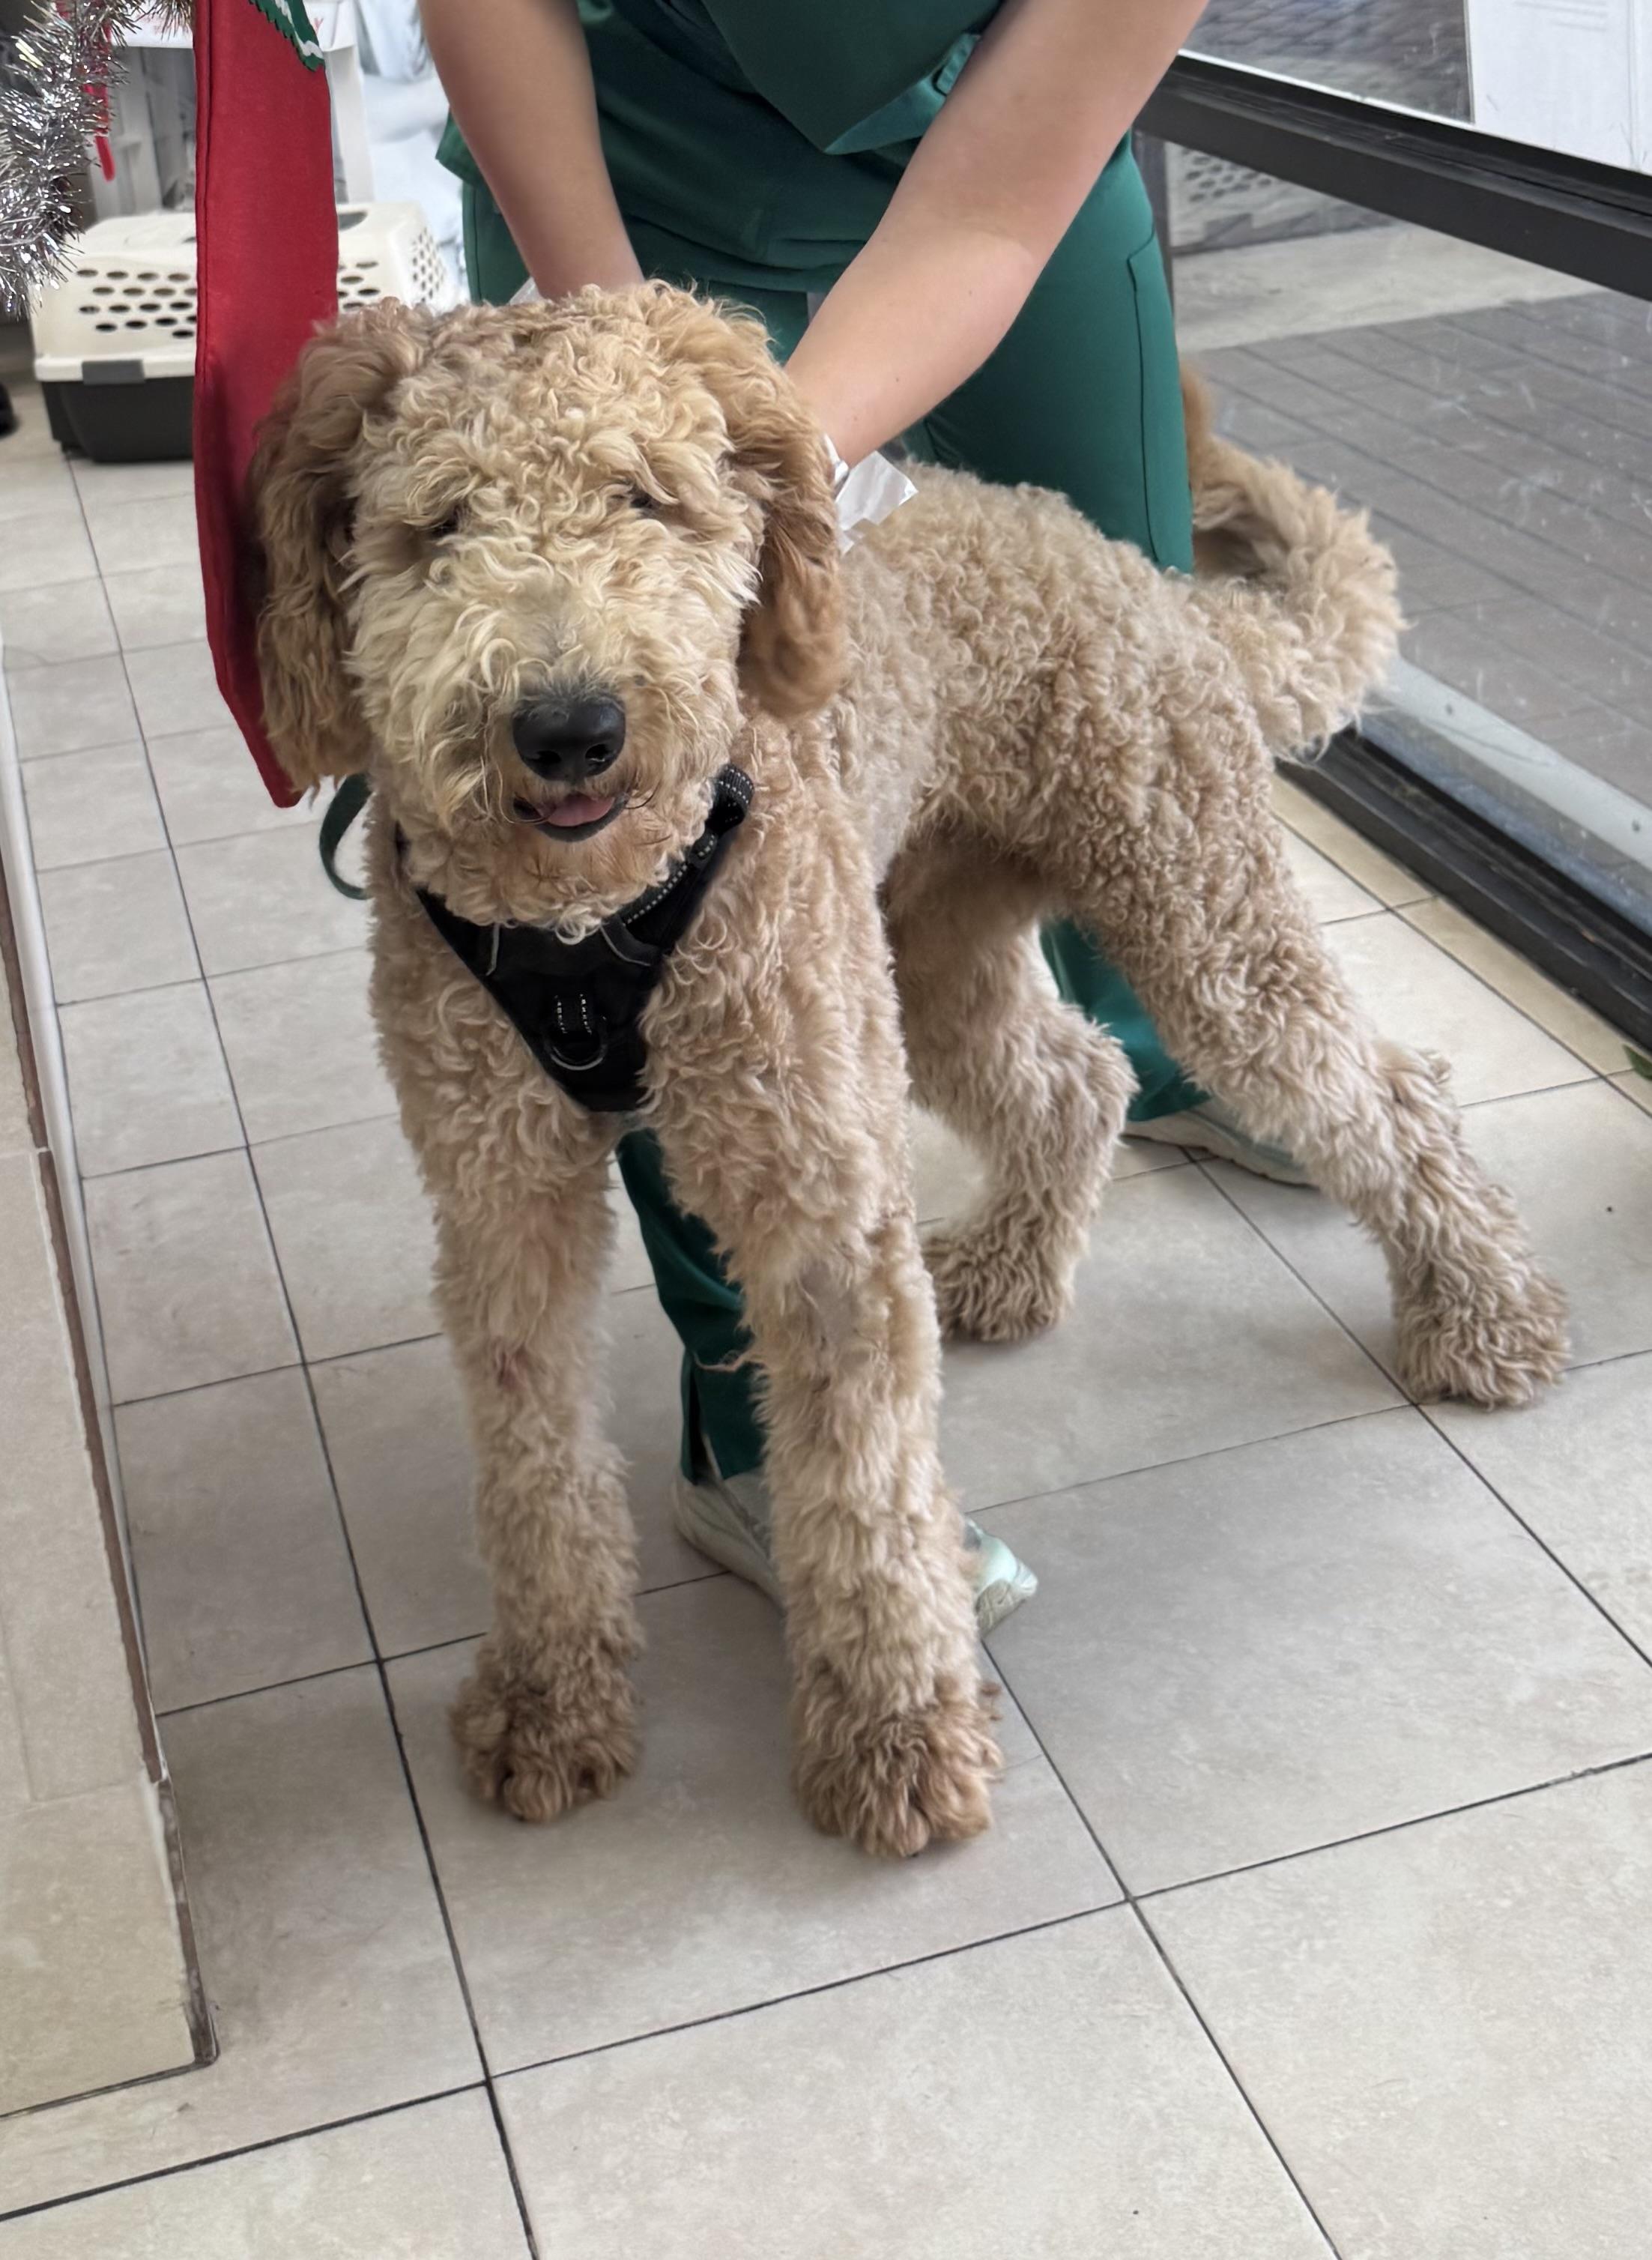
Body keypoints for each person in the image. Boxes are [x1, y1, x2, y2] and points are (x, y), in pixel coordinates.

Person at [420, 0, 1307, 1628]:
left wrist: (786, 463)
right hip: (624, 119)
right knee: (664, 852)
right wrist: (667, 449)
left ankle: (1170, 1046)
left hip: (992, 113)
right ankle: (755, 1408)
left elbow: (980, 216)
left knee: (1137, 671)